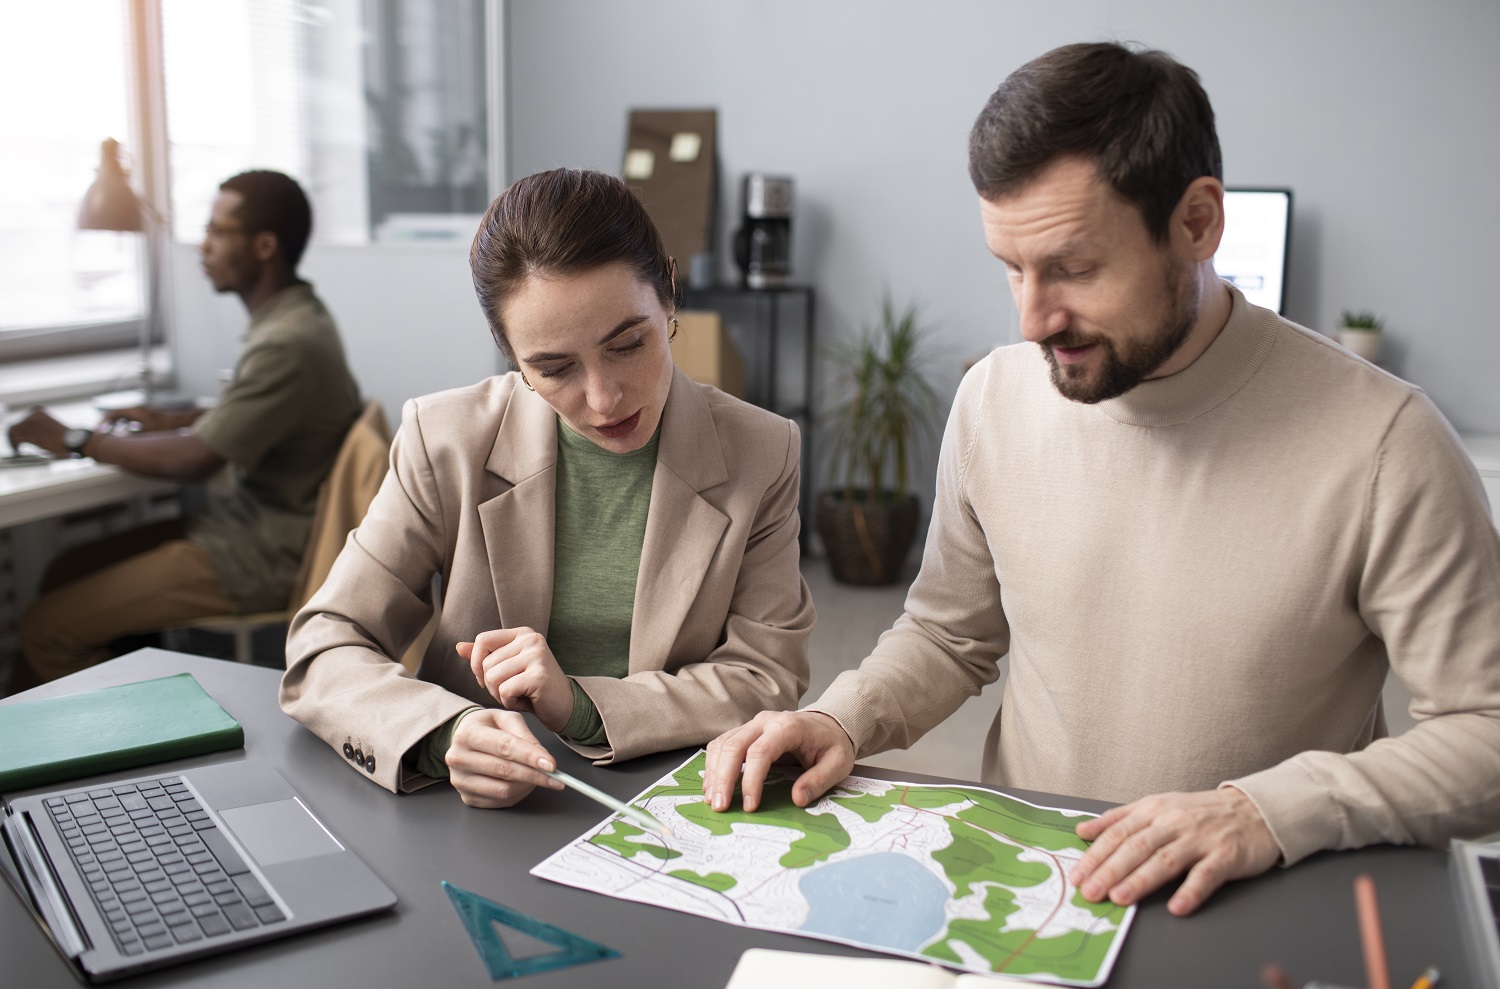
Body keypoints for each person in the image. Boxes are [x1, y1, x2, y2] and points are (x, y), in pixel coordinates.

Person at [703, 42, 1500, 917]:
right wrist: (842, 719)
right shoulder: (993, 399)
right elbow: (948, 635)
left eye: (1075, 269)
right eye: (1011, 267)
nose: (1033, 317)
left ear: (1197, 223)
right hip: (1041, 896)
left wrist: (1266, 812)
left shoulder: (1387, 443)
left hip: (1254, 897)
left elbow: (1486, 731)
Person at [280, 168, 814, 807]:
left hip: (672, 798)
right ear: (509, 353)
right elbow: (325, 643)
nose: (602, 398)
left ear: (669, 291)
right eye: (553, 368)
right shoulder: (446, 439)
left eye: (628, 345)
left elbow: (766, 677)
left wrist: (582, 706)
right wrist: (442, 732)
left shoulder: (762, 451)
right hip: (476, 806)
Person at [8, 169, 360, 690]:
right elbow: (256, 417)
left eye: (218, 232)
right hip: (240, 527)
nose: (204, 246)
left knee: (44, 630)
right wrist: (172, 420)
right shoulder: (295, 318)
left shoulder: (287, 340)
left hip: (254, 554)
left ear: (265, 246)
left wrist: (78, 439)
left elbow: (197, 459)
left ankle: (111, 749)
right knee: (67, 568)